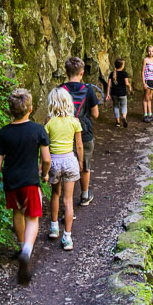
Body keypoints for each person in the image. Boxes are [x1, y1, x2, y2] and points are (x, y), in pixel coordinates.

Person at [0, 89, 51, 284]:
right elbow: (47, 159)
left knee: (17, 212)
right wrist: (45, 173)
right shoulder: (38, 130)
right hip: (30, 181)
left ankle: (21, 244)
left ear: (10, 111)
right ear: (31, 109)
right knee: (32, 218)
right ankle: (26, 251)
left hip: (11, 182)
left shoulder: (4, 132)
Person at [44, 87, 84, 251]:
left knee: (55, 194)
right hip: (69, 160)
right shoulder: (74, 122)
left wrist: (43, 167)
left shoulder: (49, 123)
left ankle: (54, 228)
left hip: (53, 161)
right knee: (68, 200)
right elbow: (79, 146)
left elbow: (44, 146)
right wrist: (80, 162)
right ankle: (67, 237)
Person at [60, 57, 99, 206]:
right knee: (85, 163)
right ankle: (84, 195)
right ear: (82, 73)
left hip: (65, 132)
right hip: (85, 131)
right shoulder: (88, 90)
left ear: (66, 72)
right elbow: (95, 114)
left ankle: (66, 201)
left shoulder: (60, 90)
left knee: (66, 165)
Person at [106, 58, 132, 128]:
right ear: (122, 66)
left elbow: (109, 85)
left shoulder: (112, 74)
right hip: (122, 93)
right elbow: (126, 83)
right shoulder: (124, 73)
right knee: (124, 106)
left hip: (114, 93)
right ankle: (123, 117)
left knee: (116, 106)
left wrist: (108, 94)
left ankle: (117, 122)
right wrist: (130, 86)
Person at [142, 45, 153, 123]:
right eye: (149, 51)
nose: (150, 53)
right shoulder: (145, 60)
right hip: (147, 80)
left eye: (152, 51)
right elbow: (142, 72)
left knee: (150, 98)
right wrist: (143, 83)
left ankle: (150, 114)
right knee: (146, 98)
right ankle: (145, 115)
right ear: (147, 51)